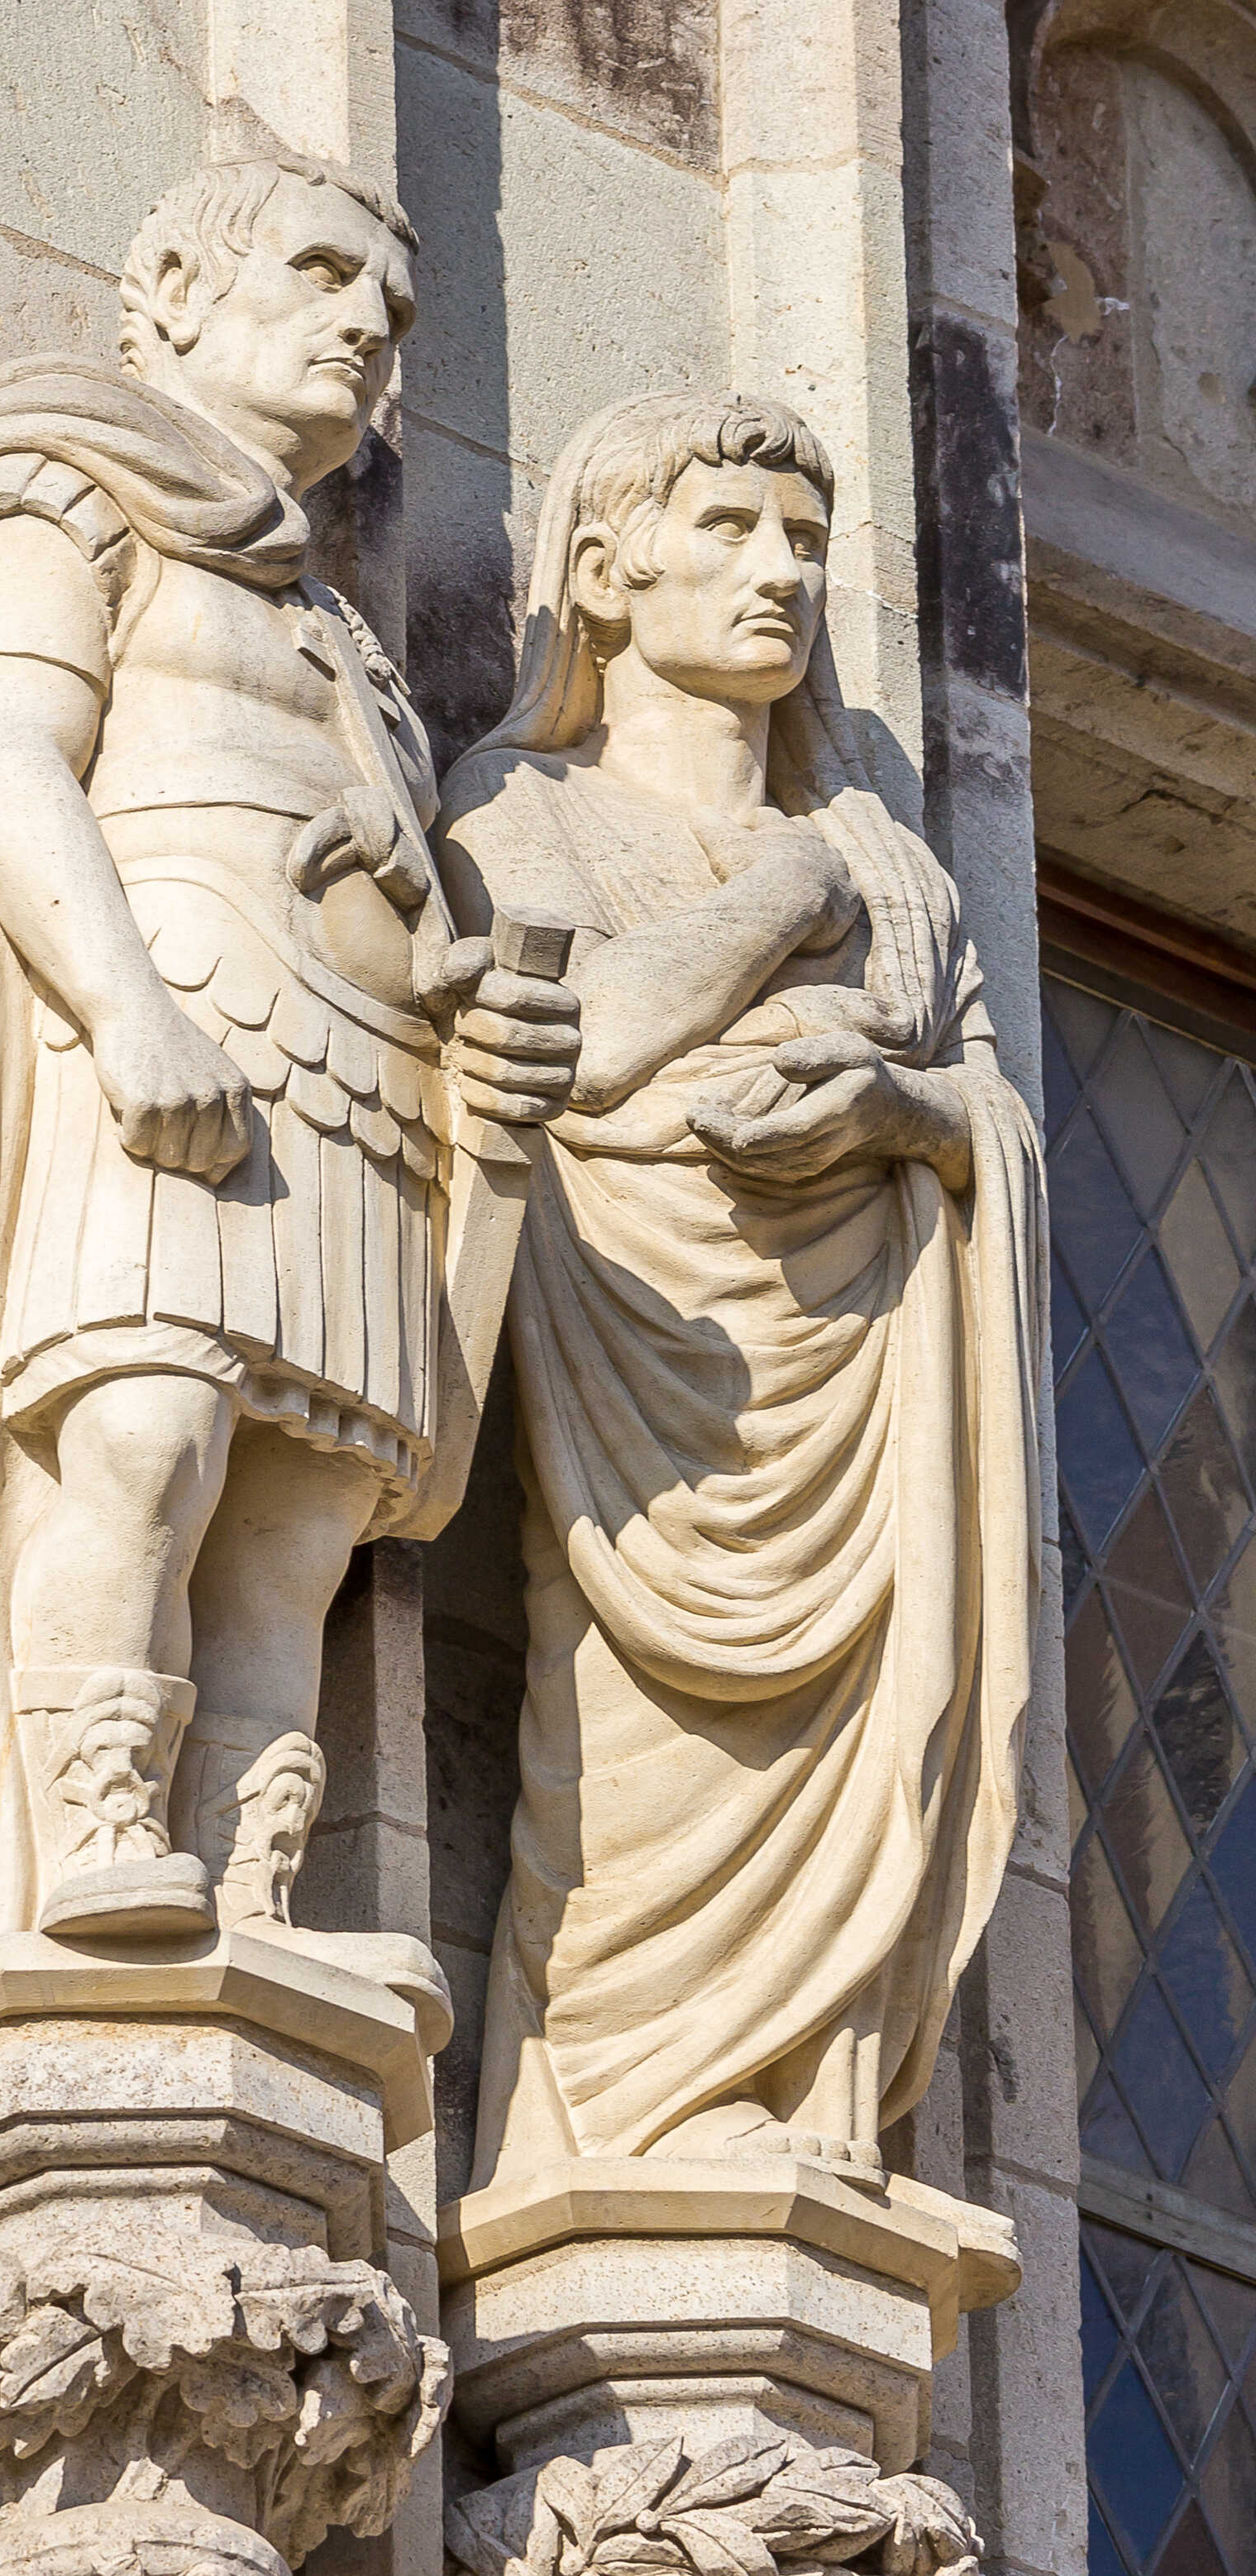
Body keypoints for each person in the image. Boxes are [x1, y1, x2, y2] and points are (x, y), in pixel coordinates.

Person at [0, 147, 577, 1960]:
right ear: (178, 296)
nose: (369, 325)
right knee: (143, 1434)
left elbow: (401, 895)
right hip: (183, 1022)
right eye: (320, 271)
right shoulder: (68, 488)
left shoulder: (339, 629)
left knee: (299, 1525)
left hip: (350, 1076)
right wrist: (123, 1007)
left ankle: (249, 1890)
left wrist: (468, 995)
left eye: (397, 308)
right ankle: (94, 1830)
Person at [437, 390, 1047, 2184]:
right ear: (608, 568)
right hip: (661, 1428)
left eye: (803, 541)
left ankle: (806, 2102)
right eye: (729, 530)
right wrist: (780, 891)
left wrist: (899, 1105)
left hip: (869, 1429)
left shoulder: (906, 876)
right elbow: (594, 1043)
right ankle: (617, 2139)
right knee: (621, 1780)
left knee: (880, 1754)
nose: (778, 570)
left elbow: (990, 1111)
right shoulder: (524, 806)